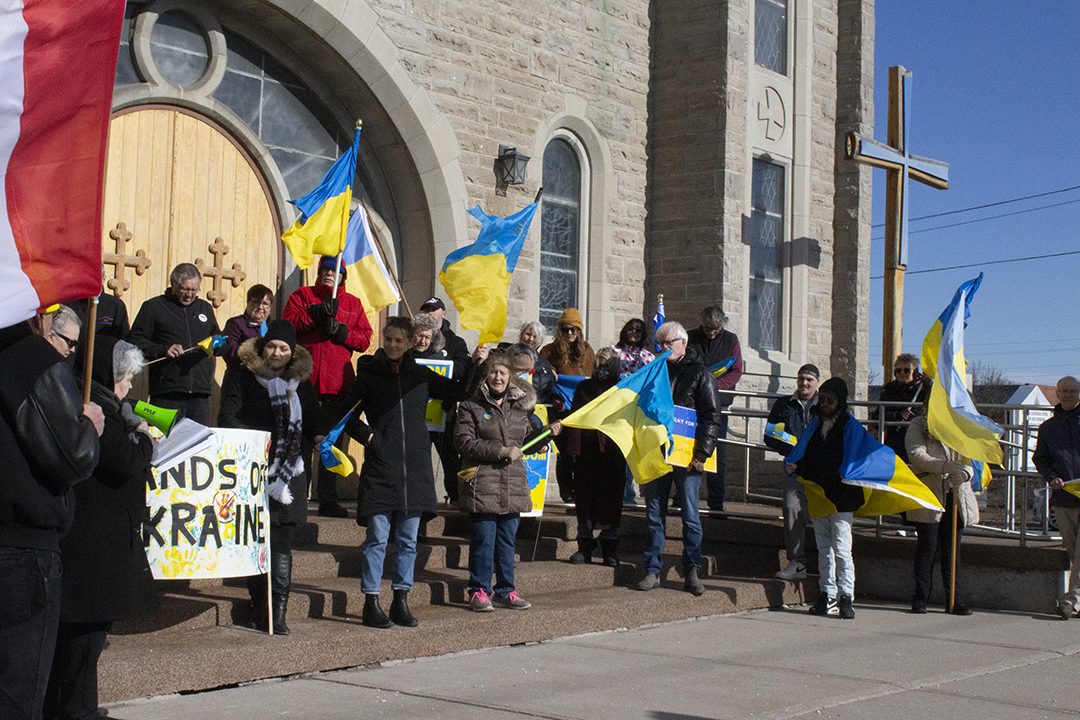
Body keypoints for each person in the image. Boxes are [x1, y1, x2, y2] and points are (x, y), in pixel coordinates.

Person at [45, 338, 159, 720]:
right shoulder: (93, 409)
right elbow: (124, 460)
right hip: (92, 545)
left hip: (98, 540)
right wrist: (143, 436)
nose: (127, 387)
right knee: (81, 642)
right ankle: (77, 711)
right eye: (125, 379)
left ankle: (76, 707)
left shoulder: (102, 405)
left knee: (86, 642)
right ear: (112, 376)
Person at [0, 307, 102, 720]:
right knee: (16, 695)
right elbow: (72, 456)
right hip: (21, 547)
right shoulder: (29, 356)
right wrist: (89, 426)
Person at [342, 317, 477, 629]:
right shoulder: (369, 374)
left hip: (414, 468)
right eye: (388, 339)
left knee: (407, 540)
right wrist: (368, 437)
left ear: (409, 343)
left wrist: (474, 363)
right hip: (381, 467)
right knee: (377, 538)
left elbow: (459, 392)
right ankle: (371, 601)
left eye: (398, 341)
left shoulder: (420, 375)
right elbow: (345, 414)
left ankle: (401, 599)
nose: (392, 345)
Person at [218, 320, 317, 635]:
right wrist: (261, 439)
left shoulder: (302, 384)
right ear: (262, 347)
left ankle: (278, 613)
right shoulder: (241, 377)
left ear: (292, 353)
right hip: (253, 468)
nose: (276, 352)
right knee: (255, 541)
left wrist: (320, 438)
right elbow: (227, 417)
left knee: (282, 543)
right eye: (272, 346)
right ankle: (261, 606)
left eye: (283, 348)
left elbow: (313, 422)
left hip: (289, 476)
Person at [456, 351, 552, 611]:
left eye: (503, 373)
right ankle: (479, 590)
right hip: (483, 483)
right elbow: (464, 442)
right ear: (486, 376)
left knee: (507, 541)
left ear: (511, 378)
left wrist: (543, 439)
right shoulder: (470, 406)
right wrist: (499, 452)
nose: (498, 377)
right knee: (483, 540)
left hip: (513, 483)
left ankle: (506, 590)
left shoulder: (520, 408)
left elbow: (527, 441)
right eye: (493, 372)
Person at [283, 255, 373, 518]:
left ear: (343, 277)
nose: (329, 275)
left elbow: (364, 338)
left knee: (331, 444)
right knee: (301, 442)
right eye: (325, 270)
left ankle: (328, 499)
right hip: (306, 381)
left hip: (338, 384)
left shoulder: (353, 304)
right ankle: (298, 498)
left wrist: (342, 332)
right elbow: (288, 326)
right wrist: (314, 314)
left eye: (335, 272)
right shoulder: (302, 296)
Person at [635, 321, 719, 596]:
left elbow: (711, 416)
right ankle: (652, 569)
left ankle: (692, 570)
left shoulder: (700, 373)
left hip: (687, 457)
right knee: (653, 514)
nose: (662, 348)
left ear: (682, 343)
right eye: (659, 343)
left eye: (667, 343)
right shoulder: (653, 373)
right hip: (656, 453)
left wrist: (702, 453)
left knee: (691, 516)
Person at [785, 377, 860, 619]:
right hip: (818, 495)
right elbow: (806, 455)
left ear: (840, 402)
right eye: (823, 399)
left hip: (841, 497)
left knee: (841, 548)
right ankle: (826, 595)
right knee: (824, 549)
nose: (825, 403)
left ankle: (846, 596)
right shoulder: (815, 425)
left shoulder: (850, 427)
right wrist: (795, 466)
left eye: (830, 400)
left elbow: (858, 457)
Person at [905, 399, 978, 616]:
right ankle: (920, 598)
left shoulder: (960, 425)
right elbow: (917, 455)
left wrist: (965, 473)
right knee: (927, 547)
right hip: (930, 493)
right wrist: (946, 467)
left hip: (955, 495)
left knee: (952, 549)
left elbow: (970, 457)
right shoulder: (918, 425)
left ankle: (954, 599)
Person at [128, 263, 222, 425]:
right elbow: (135, 340)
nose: (189, 295)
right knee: (165, 445)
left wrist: (218, 344)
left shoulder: (205, 308)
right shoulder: (154, 307)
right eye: (185, 289)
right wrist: (162, 350)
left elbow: (217, 337)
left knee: (197, 446)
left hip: (199, 394)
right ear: (173, 285)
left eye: (194, 290)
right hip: (167, 393)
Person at [563, 348, 628, 566]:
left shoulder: (622, 390)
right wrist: (573, 452)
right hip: (588, 453)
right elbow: (575, 420)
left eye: (607, 364)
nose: (602, 369)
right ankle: (585, 546)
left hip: (613, 453)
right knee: (585, 501)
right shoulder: (585, 387)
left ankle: (610, 548)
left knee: (611, 502)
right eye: (599, 364)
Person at [765, 363, 820, 581]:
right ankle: (797, 562)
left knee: (827, 514)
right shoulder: (783, 405)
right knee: (791, 507)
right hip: (794, 468)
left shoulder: (825, 405)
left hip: (820, 469)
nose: (804, 383)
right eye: (801, 379)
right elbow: (770, 435)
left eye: (809, 379)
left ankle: (829, 563)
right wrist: (792, 450)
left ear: (817, 383)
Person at [686, 305, 743, 512]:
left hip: (719, 402)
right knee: (687, 448)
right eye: (708, 328)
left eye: (715, 329)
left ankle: (716, 502)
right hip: (693, 402)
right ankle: (682, 499)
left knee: (717, 454)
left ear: (722, 325)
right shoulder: (691, 337)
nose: (711, 332)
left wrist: (713, 386)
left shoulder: (731, 340)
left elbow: (736, 370)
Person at [1033, 376, 1080, 619]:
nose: (1070, 395)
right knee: (1073, 552)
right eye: (1065, 391)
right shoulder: (1048, 428)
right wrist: (1052, 477)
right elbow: (1039, 459)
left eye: (1074, 391)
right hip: (1064, 498)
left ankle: (1071, 601)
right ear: (1058, 395)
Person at [417, 297, 470, 503]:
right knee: (420, 457)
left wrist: (442, 365)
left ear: (443, 313)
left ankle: (456, 496)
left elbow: (462, 369)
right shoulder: (418, 339)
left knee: (449, 456)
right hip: (420, 411)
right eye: (427, 309)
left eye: (435, 309)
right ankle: (422, 497)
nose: (431, 313)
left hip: (445, 410)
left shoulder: (456, 342)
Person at [540, 308, 595, 502]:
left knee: (581, 452)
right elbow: (541, 376)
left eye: (574, 329)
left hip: (582, 408)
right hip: (560, 407)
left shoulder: (587, 350)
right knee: (565, 451)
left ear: (580, 331)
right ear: (559, 331)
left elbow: (592, 379)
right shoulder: (548, 351)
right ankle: (566, 491)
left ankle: (580, 490)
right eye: (566, 329)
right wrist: (550, 374)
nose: (570, 333)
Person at [612, 318, 655, 505]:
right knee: (619, 451)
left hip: (638, 410)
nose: (634, 333)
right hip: (618, 408)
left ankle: (629, 494)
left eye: (638, 330)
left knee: (632, 451)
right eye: (630, 329)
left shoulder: (647, 357)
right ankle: (619, 493)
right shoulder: (614, 352)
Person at [871, 353, 929, 461]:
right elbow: (876, 417)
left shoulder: (924, 390)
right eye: (898, 370)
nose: (902, 373)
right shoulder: (889, 390)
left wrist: (929, 384)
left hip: (919, 441)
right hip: (895, 441)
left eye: (906, 370)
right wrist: (898, 415)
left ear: (915, 372)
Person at [223, 283, 274, 370]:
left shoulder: (274, 327)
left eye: (265, 303)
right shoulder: (235, 324)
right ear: (248, 303)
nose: (260, 307)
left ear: (270, 308)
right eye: (256, 302)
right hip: (240, 378)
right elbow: (229, 352)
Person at [518, 320, 556, 404]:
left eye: (535, 337)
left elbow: (549, 392)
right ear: (521, 334)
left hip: (536, 410)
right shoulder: (508, 355)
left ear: (539, 341)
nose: (530, 339)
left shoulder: (545, 365)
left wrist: (557, 400)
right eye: (528, 334)